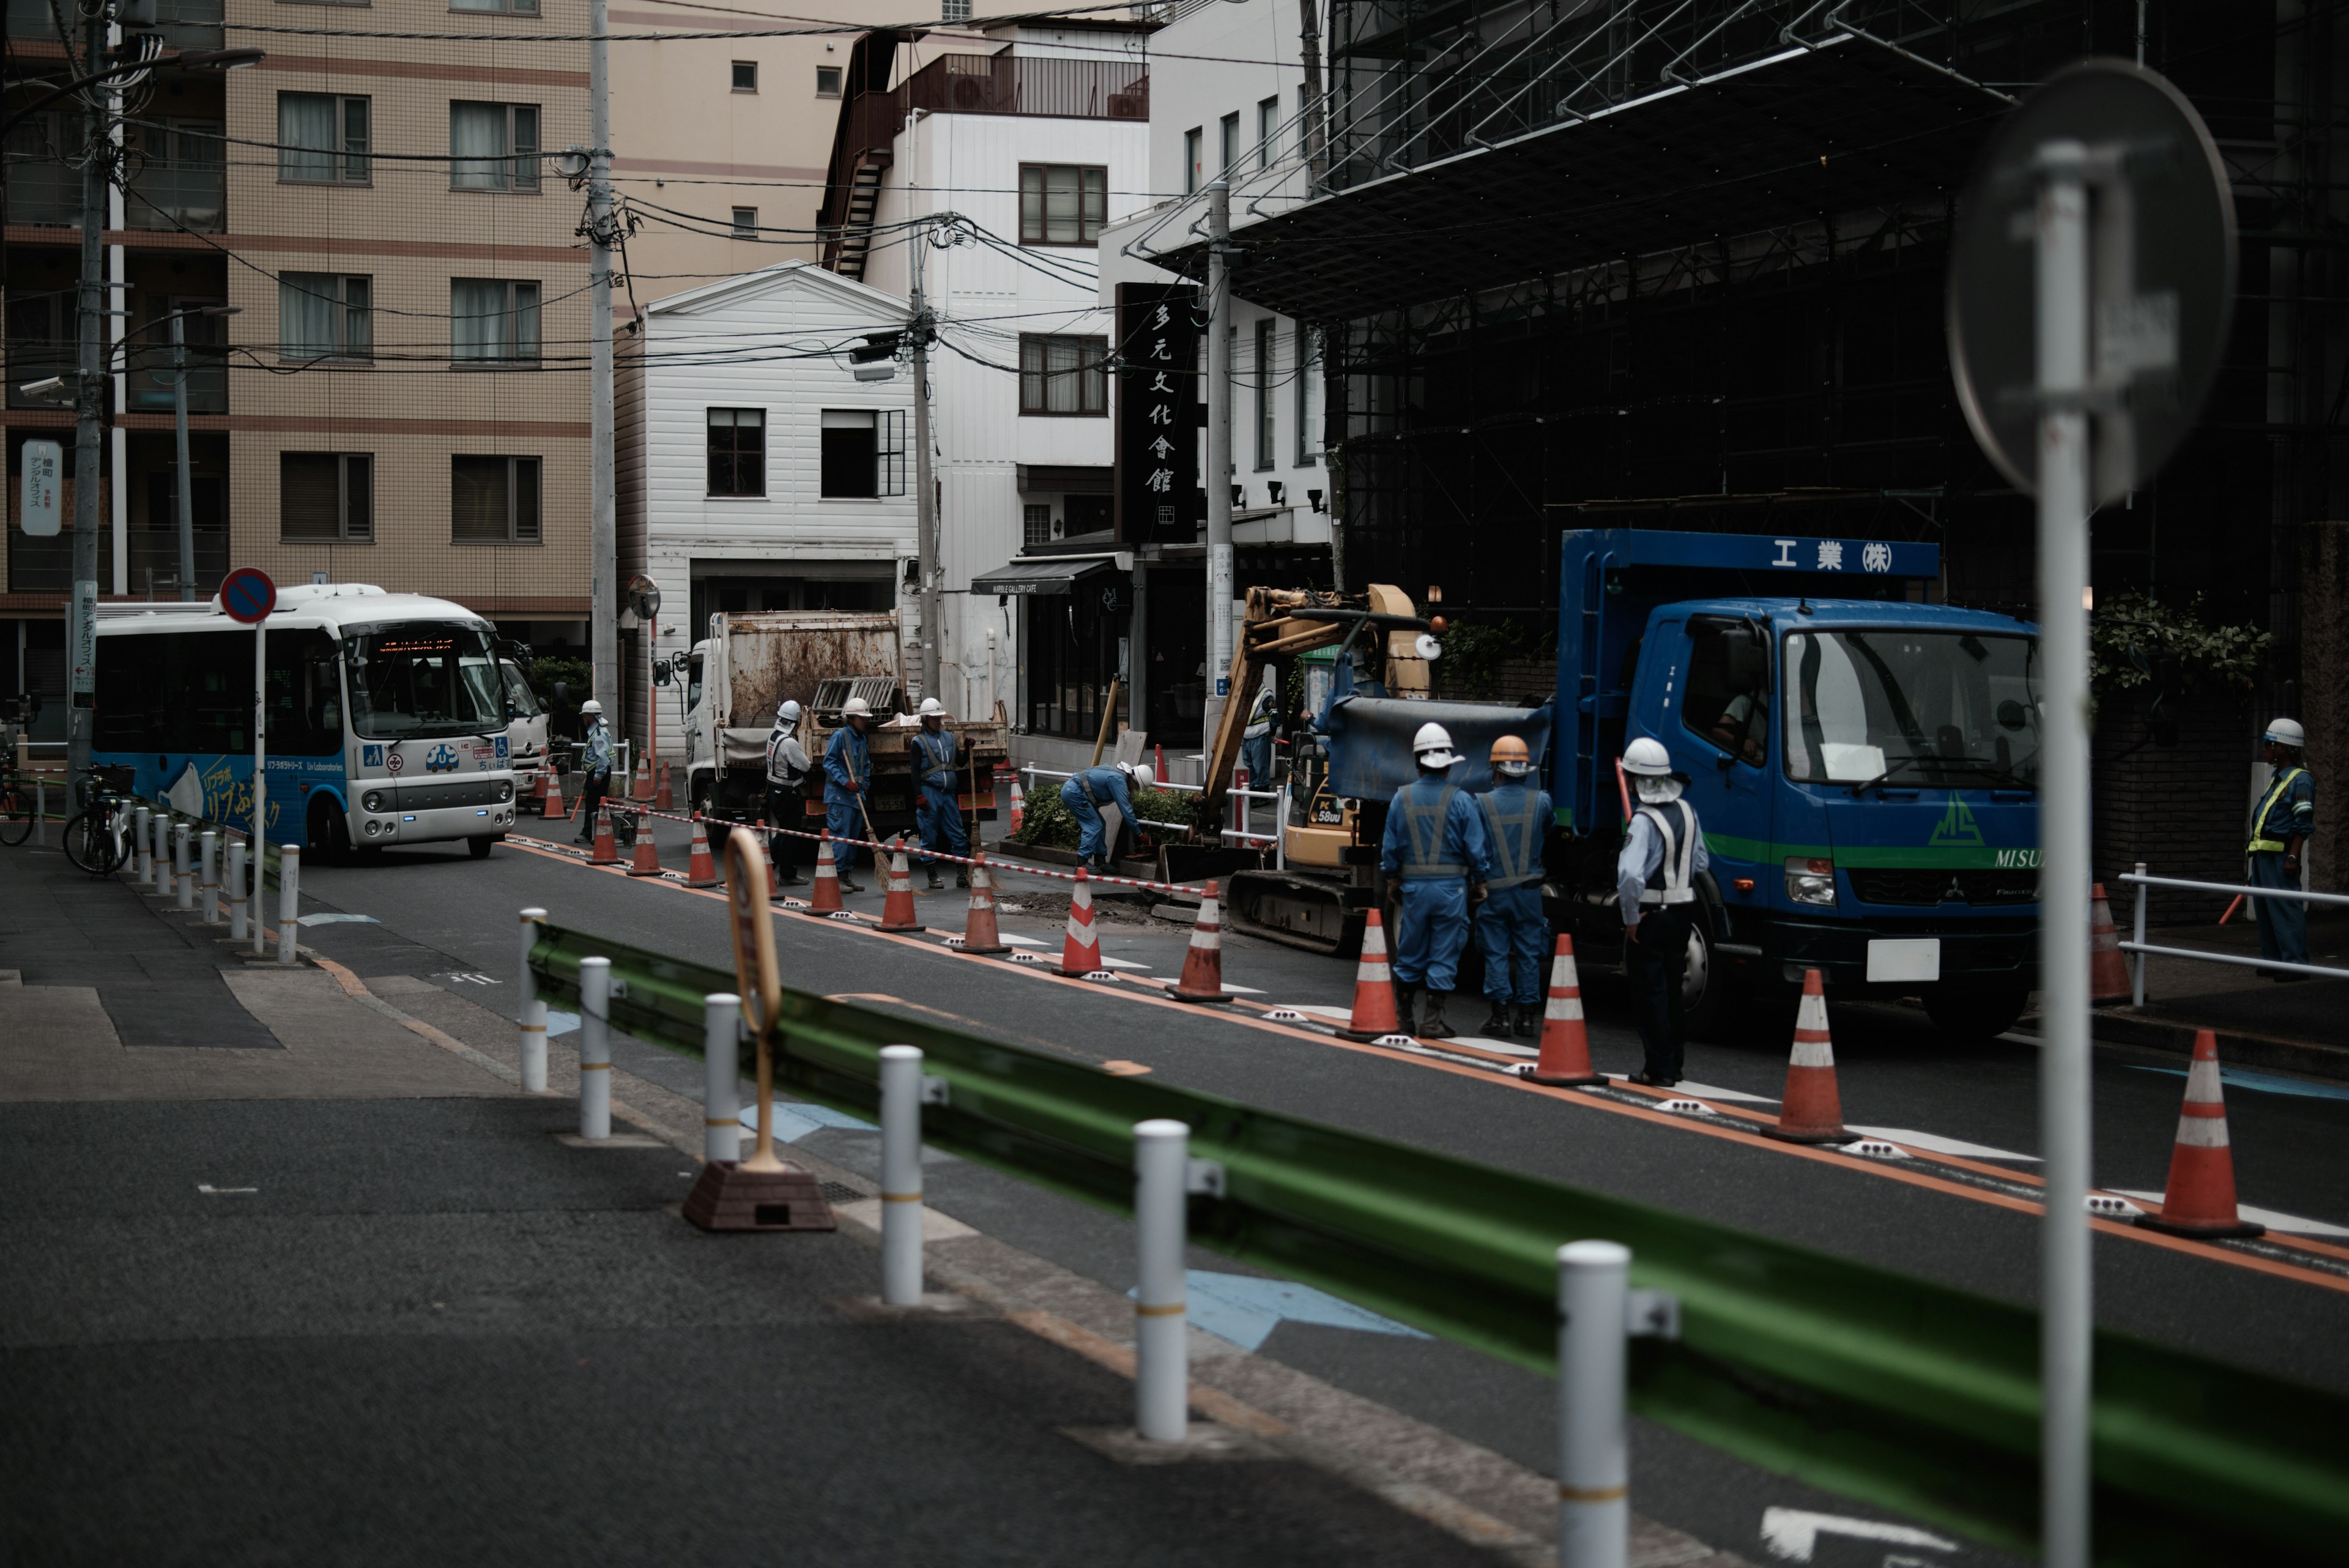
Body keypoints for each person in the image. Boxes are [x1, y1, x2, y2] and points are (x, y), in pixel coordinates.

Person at [1379, 722, 1491, 1040]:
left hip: (1414, 890)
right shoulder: (1462, 801)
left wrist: (1392, 879)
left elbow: (1391, 848)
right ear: (1447, 765)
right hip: (1452, 891)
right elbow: (1475, 849)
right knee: (1444, 952)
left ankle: (1404, 1019)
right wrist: (1479, 881)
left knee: (1410, 950)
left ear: (1417, 762)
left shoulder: (1402, 799)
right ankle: (1432, 1021)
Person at [1617, 735, 1709, 1087]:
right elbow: (1701, 861)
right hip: (1684, 912)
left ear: (1635, 779)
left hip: (1650, 916)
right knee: (1672, 991)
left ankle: (1658, 1069)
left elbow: (1629, 876)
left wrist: (1630, 919)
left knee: (1650, 994)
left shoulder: (1643, 820)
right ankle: (1676, 1063)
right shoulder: (1688, 811)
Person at [1475, 735, 1551, 1039]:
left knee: (1495, 952)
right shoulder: (1542, 801)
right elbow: (1547, 828)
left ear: (1496, 769)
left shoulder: (1481, 803)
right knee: (1529, 953)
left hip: (1494, 892)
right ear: (1525, 770)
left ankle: (1501, 1017)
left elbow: (1475, 848)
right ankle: (1528, 1020)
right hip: (1530, 892)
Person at [2248, 718, 2315, 980]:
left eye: (2268, 744)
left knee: (2285, 910)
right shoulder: (2279, 778)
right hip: (2264, 856)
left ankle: (2295, 964)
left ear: (2282, 748)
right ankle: (2274, 961)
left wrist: (2292, 856)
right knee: (2265, 910)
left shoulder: (2300, 781)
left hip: (2281, 857)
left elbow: (2303, 823)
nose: (2265, 749)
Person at [910, 697, 969, 890]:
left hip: (948, 795)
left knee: (958, 834)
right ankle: (932, 875)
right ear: (926, 719)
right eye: (934, 718)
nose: (938, 721)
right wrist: (919, 795)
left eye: (939, 717)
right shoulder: (918, 742)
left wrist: (968, 749)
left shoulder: (950, 738)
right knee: (929, 833)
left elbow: (960, 763)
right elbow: (915, 771)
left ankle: (962, 875)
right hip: (930, 792)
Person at [822, 695, 875, 893]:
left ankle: (846, 875)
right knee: (841, 837)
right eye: (863, 718)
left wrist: (866, 783)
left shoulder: (862, 739)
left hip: (857, 795)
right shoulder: (840, 736)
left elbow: (866, 765)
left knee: (852, 838)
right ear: (852, 718)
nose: (866, 721)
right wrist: (845, 782)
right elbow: (829, 763)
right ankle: (837, 877)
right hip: (840, 796)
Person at [1061, 760, 1149, 873]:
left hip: (1075, 791)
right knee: (1094, 826)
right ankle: (1081, 865)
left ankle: (1100, 861)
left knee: (1101, 824)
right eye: (1136, 787)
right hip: (1075, 793)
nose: (1134, 790)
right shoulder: (1118, 780)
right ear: (1134, 780)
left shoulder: (1118, 775)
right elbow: (1126, 811)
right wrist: (1139, 833)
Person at [762, 699, 810, 886]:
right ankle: (786, 873)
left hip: (775, 791)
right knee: (790, 834)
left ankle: (766, 867)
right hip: (787, 793)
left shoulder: (773, 737)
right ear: (795, 722)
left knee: (784, 832)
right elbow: (805, 766)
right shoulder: (789, 743)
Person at [573, 698, 612, 845]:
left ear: (590, 717)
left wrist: (598, 775)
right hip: (595, 772)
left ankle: (589, 832)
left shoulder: (598, 735)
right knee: (597, 803)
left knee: (593, 804)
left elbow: (602, 757)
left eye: (585, 716)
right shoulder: (596, 732)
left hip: (598, 772)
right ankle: (597, 832)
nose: (583, 719)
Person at [1241, 680, 1276, 786]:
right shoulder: (1244, 692)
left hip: (1260, 733)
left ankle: (1262, 795)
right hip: (1246, 735)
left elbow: (1274, 716)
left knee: (1260, 767)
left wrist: (1272, 733)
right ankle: (1253, 794)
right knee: (1249, 766)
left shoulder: (1266, 695)